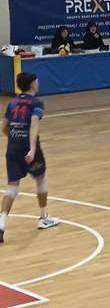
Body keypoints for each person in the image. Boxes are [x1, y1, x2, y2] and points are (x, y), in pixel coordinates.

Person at [0, 72, 60, 243]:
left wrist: (15, 140)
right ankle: (43, 217)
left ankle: (1, 224)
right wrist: (32, 149)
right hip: (28, 149)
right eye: (37, 81)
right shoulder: (36, 103)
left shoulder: (12, 103)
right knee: (41, 179)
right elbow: (34, 125)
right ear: (33, 84)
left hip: (12, 147)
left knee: (12, 187)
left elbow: (4, 127)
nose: (38, 83)